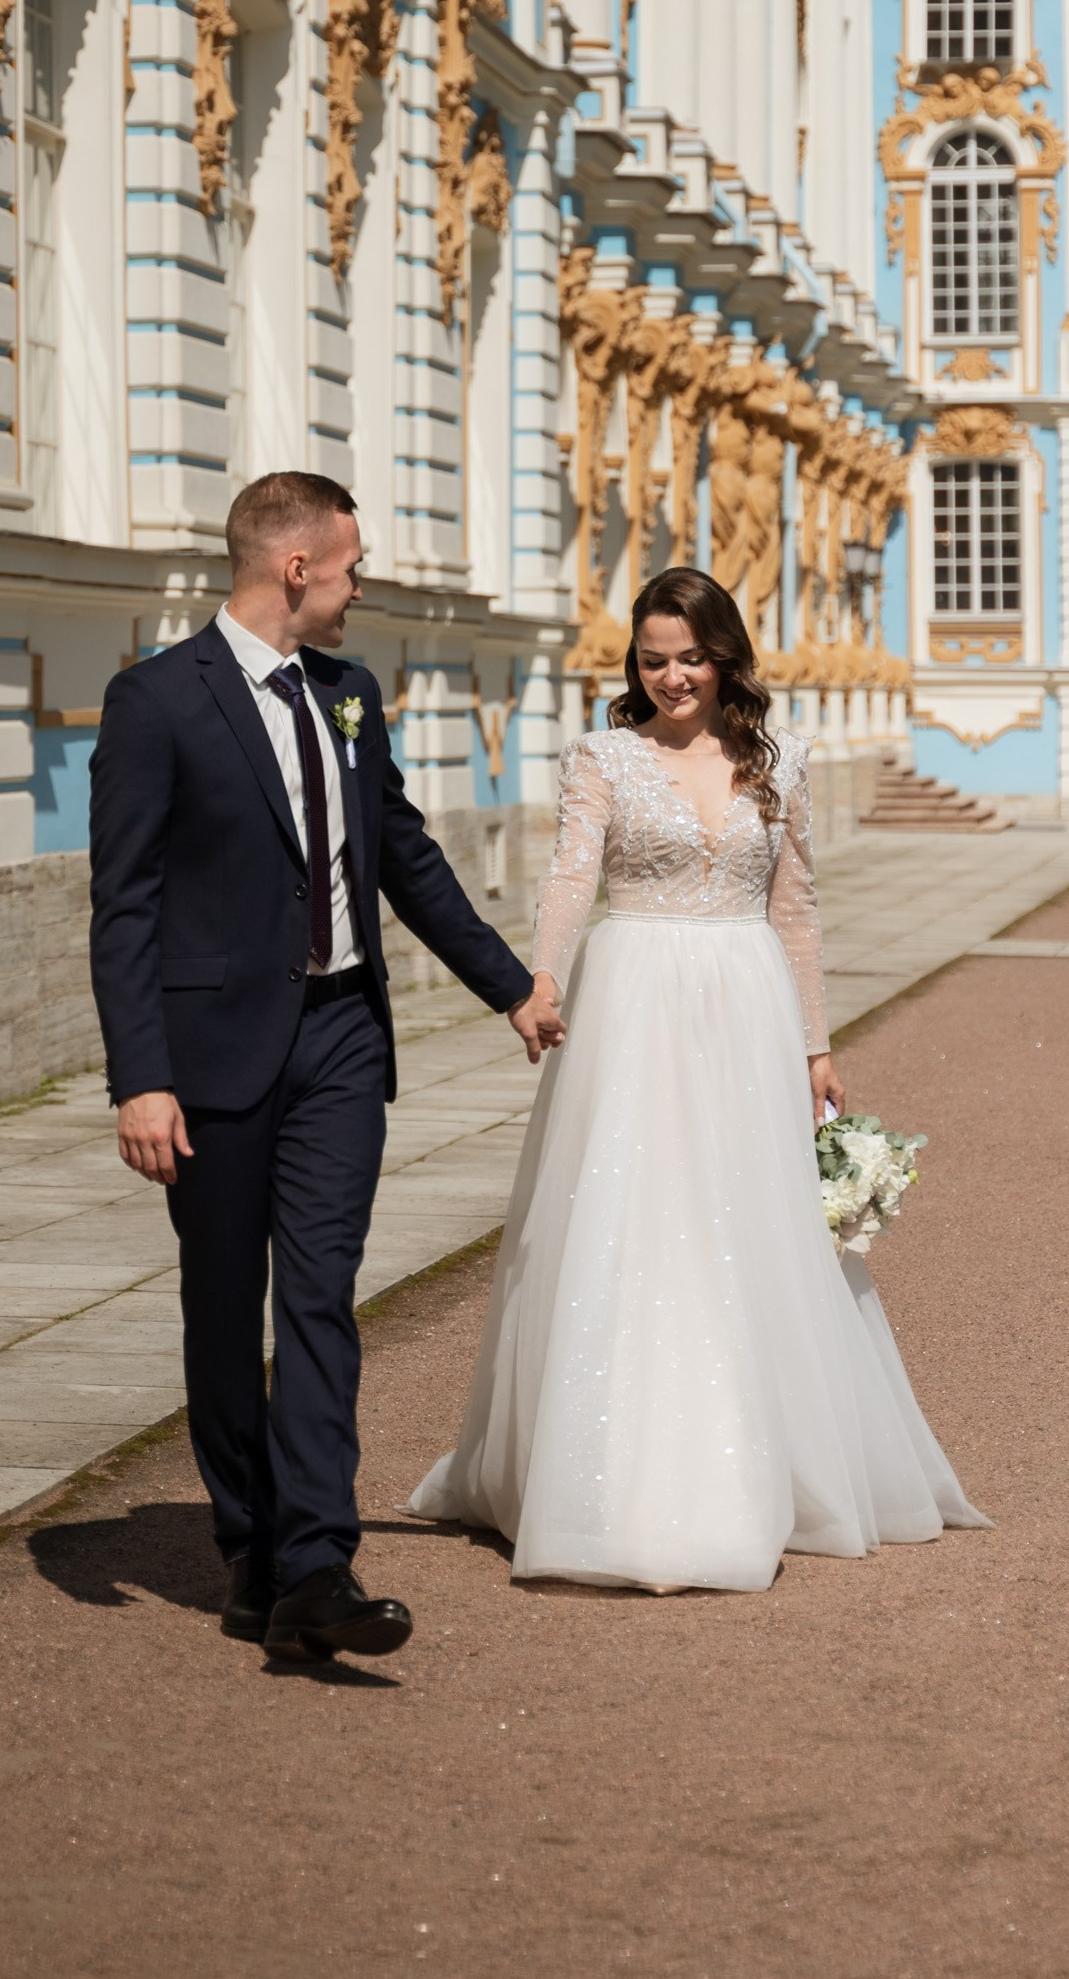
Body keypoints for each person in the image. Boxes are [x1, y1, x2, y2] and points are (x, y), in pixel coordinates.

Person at [410, 565, 987, 1590]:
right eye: (652, 658)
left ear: (723, 656)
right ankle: (604, 1470)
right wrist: (537, 977)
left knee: (745, 1217)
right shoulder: (602, 755)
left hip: (746, 997)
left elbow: (796, 907)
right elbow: (569, 874)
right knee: (629, 1214)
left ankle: (769, 1452)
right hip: (632, 997)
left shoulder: (779, 759)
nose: (671, 675)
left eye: (688, 655)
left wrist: (815, 1042)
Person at [89, 471, 562, 1660]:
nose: (360, 586)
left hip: (343, 1034)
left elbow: (400, 849)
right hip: (208, 1054)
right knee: (219, 1301)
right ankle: (246, 1541)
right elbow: (122, 905)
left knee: (318, 1294)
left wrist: (508, 982)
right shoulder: (155, 701)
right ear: (294, 568)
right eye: (349, 565)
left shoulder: (352, 693)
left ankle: (314, 1560)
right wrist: (138, 1075)